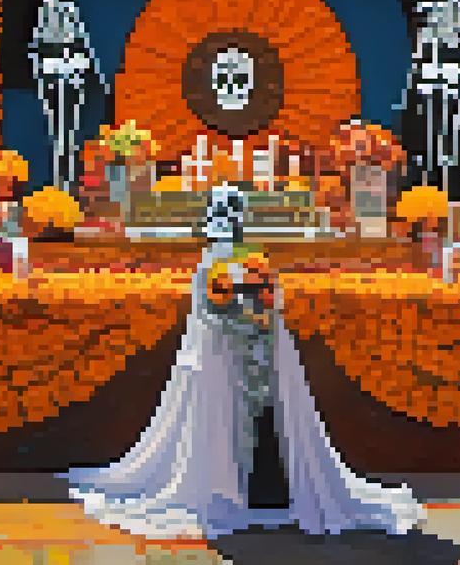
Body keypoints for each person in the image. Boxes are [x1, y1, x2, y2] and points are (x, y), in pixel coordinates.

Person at [62, 185, 425, 539]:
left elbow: (263, 298)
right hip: (221, 347)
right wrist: (240, 313)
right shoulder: (222, 262)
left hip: (245, 345)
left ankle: (251, 488)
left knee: (250, 417)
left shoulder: (251, 260)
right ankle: (227, 488)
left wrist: (251, 313)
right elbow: (212, 305)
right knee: (221, 417)